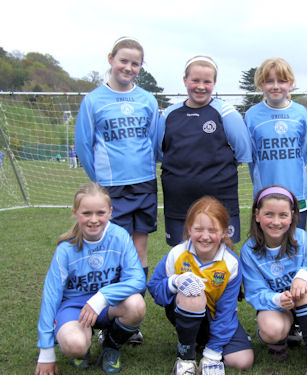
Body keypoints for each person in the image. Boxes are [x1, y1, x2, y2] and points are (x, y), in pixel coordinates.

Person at [75, 38, 159, 336]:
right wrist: (101, 181)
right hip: (112, 188)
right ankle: (106, 314)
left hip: (145, 184)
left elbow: (154, 141)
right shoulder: (94, 100)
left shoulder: (148, 99)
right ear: (111, 59)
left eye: (135, 63)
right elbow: (84, 146)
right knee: (114, 252)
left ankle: (130, 320)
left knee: (139, 251)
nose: (129, 67)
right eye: (124, 60)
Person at [35, 183, 146, 375]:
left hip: (106, 305)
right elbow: (51, 295)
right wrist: (46, 352)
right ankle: (80, 348)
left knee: (136, 304)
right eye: (86, 213)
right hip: (76, 309)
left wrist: (101, 297)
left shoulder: (120, 237)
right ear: (75, 213)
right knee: (75, 344)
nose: (94, 220)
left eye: (100, 213)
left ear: (110, 212)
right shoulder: (66, 249)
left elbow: (137, 279)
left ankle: (110, 347)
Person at [148, 196, 254, 375]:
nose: (205, 236)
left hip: (217, 320)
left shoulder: (231, 264)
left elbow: (226, 311)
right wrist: (174, 282)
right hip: (185, 310)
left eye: (212, 230)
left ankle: (205, 343)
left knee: (242, 360)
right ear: (189, 229)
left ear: (223, 232)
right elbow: (155, 289)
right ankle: (186, 357)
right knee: (194, 294)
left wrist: (213, 352)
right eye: (198, 229)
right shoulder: (177, 254)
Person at [159, 55, 252, 247]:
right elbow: (160, 153)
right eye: (195, 80)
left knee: (222, 256)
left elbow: (242, 151)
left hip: (220, 200)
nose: (200, 86)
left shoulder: (226, 113)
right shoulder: (169, 114)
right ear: (185, 80)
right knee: (182, 257)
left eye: (207, 81)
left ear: (214, 83)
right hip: (178, 203)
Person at [240, 186, 307, 375]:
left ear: (292, 216)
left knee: (303, 291)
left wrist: (303, 277)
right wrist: (277, 299)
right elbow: (254, 292)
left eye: (283, 215)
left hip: (306, 302)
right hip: (279, 307)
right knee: (271, 329)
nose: (276, 222)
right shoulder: (249, 250)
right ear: (257, 215)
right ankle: (279, 340)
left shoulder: (301, 239)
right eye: (269, 214)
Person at [244, 58, 307, 229]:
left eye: (281, 81)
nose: (275, 86)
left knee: (296, 246)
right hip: (265, 193)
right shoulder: (252, 115)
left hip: (296, 193)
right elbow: (252, 158)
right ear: (260, 84)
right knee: (266, 248)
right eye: (269, 81)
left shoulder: (300, 113)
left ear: (291, 83)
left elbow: (303, 154)